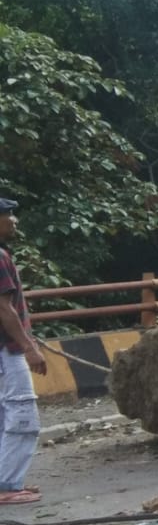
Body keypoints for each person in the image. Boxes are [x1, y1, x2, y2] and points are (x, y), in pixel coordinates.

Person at [0, 198, 46, 506]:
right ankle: (7, 485)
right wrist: (29, 347)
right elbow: (3, 309)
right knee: (23, 416)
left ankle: (6, 479)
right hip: (6, 351)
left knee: (4, 415)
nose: (14, 220)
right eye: (8, 215)